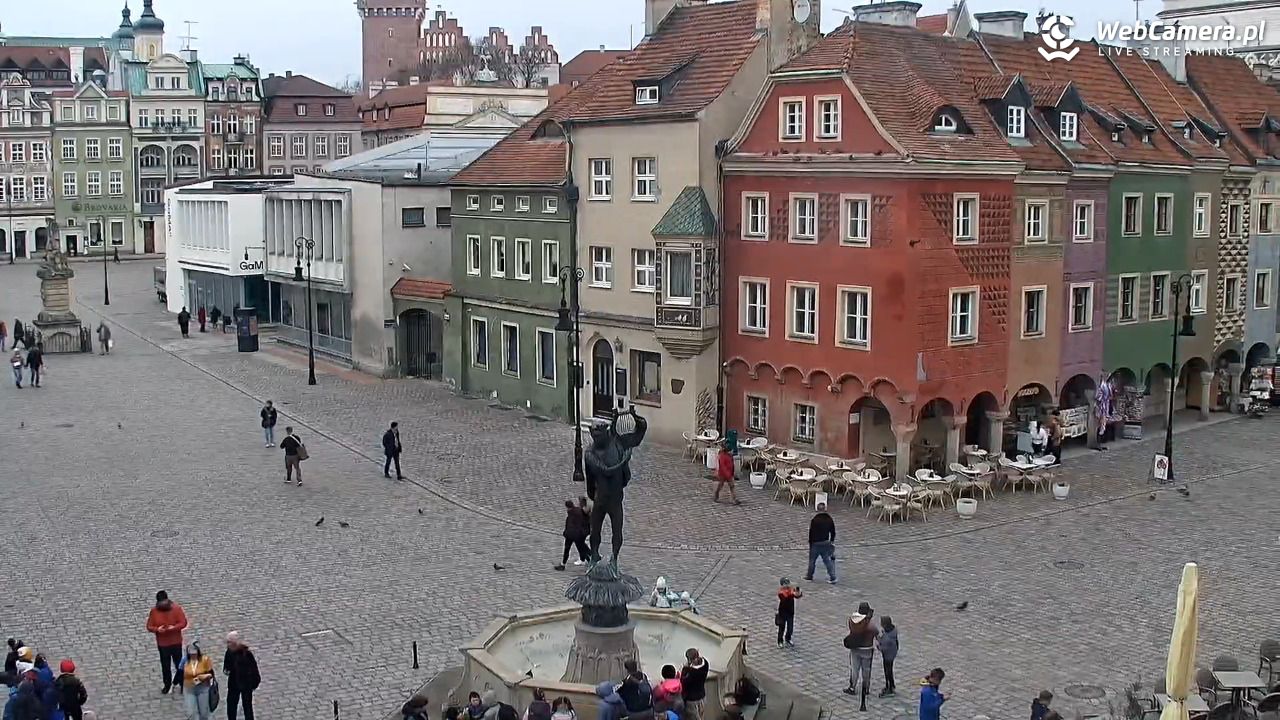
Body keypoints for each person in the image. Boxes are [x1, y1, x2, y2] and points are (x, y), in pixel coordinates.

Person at [146, 590, 188, 694]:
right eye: (161, 603)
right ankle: (167, 684)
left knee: (179, 664)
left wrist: (173, 627)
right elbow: (149, 626)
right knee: (165, 666)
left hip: (176, 641)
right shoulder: (154, 611)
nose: (163, 605)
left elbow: (183, 622)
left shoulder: (176, 609)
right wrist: (157, 629)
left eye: (164, 602)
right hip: (163, 643)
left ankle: (182, 683)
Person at [843, 603, 879, 710]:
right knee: (866, 670)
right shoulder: (870, 624)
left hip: (855, 649)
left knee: (854, 669)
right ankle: (866, 688)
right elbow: (876, 633)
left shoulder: (852, 620)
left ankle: (852, 687)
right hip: (867, 649)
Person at [223, 631, 260, 720]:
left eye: (229, 642)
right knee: (231, 705)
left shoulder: (246, 654)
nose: (227, 644)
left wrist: (254, 682)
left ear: (234, 643)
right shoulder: (229, 652)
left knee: (247, 706)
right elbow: (226, 666)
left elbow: (254, 668)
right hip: (233, 683)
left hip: (246, 684)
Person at [180, 642, 215, 720]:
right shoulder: (185, 661)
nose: (193, 656)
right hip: (189, 689)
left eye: (195, 654)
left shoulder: (205, 660)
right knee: (191, 713)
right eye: (191, 654)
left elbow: (211, 674)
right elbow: (179, 674)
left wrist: (205, 676)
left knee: (203, 713)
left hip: (203, 688)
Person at [554, 500, 590, 571]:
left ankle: (563, 564)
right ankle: (590, 560)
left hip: (571, 535)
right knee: (582, 548)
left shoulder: (571, 514)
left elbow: (569, 526)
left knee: (567, 549)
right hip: (579, 535)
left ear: (567, 507)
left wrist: (566, 533)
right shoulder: (579, 511)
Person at [806, 503, 837, 584]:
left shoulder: (815, 520)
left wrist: (810, 543)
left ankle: (809, 576)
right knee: (827, 560)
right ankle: (833, 577)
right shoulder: (829, 519)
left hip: (815, 543)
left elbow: (811, 533)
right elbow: (833, 531)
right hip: (825, 542)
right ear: (825, 509)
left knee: (812, 560)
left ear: (817, 509)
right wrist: (832, 541)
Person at [680, 648, 709, 720]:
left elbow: (683, 682)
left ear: (690, 659)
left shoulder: (690, 672)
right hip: (702, 696)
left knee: (693, 717)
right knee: (701, 716)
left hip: (692, 700)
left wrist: (684, 670)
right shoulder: (705, 663)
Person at [775, 578, 801, 648]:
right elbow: (785, 598)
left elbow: (797, 596)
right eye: (785, 584)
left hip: (790, 612)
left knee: (790, 628)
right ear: (782, 585)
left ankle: (788, 639)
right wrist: (792, 594)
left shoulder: (791, 590)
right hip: (782, 613)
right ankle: (780, 641)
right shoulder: (781, 592)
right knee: (781, 628)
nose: (787, 585)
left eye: (788, 583)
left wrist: (798, 593)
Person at [877, 616, 899, 697]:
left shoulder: (888, 638)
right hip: (892, 653)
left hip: (888, 656)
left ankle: (889, 688)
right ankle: (891, 685)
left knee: (888, 672)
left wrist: (878, 645)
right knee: (889, 671)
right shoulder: (892, 631)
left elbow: (883, 647)